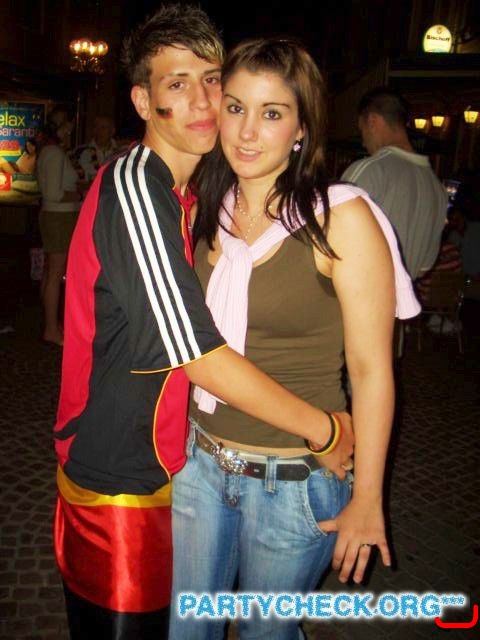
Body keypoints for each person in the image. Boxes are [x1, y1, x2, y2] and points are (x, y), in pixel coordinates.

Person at [52, 8, 355, 640]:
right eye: (177, 83)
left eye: (212, 80)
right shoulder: (137, 187)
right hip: (120, 478)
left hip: (173, 465)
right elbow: (197, 352)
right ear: (144, 101)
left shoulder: (189, 196)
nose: (201, 101)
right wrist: (323, 429)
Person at [169, 38, 420, 640]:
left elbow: (372, 371)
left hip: (294, 481)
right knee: (187, 628)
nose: (246, 131)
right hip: (198, 463)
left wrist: (368, 497)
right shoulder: (206, 208)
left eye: (272, 113)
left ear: (302, 128)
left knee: (267, 633)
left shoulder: (341, 217)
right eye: (236, 107)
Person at [341, 87, 448, 281]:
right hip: (402, 298)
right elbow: (424, 267)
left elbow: (333, 241)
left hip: (357, 294)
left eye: (362, 131)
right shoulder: (437, 188)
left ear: (373, 121)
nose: (364, 142)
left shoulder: (369, 170)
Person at [36, 123, 82, 346]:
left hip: (54, 216)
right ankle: (51, 329)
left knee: (50, 272)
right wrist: (80, 194)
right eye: (67, 127)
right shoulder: (54, 152)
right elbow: (54, 194)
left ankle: (50, 324)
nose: (69, 130)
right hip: (58, 217)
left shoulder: (49, 151)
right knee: (55, 273)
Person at [74, 115, 118, 184]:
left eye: (103, 128)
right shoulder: (81, 152)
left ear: (112, 131)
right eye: (96, 127)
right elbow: (77, 179)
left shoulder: (122, 153)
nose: (98, 131)